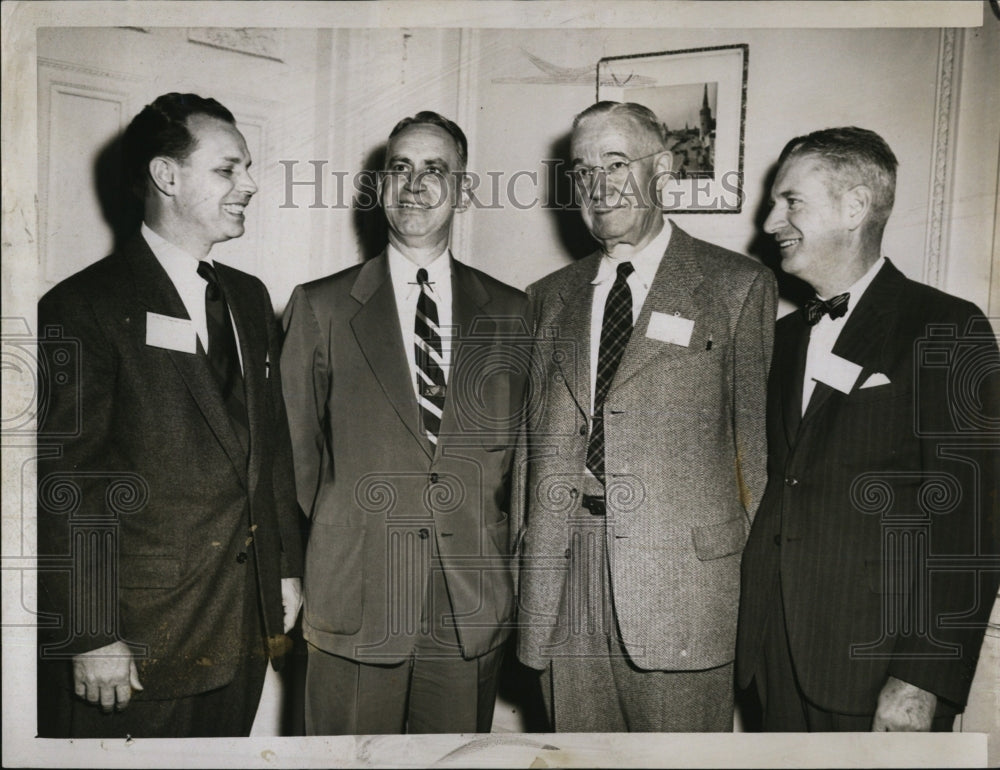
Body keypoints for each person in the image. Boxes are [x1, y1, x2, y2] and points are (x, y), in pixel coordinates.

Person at [36, 93, 304, 738]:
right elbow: (66, 484)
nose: (250, 185)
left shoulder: (247, 296)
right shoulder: (82, 307)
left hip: (241, 624)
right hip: (137, 644)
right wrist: (92, 633)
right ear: (167, 176)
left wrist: (285, 569)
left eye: (247, 169)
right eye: (228, 169)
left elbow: (270, 447)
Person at [514, 101, 777, 731]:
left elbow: (757, 457)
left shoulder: (735, 286)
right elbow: (529, 453)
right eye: (582, 172)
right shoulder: (547, 297)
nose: (598, 187)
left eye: (615, 163)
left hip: (682, 590)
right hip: (565, 580)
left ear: (661, 169)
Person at [737, 126, 1000, 731]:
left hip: (875, 669)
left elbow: (971, 528)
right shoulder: (785, 337)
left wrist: (921, 678)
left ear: (854, 206)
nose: (770, 220)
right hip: (773, 656)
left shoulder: (945, 327)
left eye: (790, 201)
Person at [280, 111, 529, 734]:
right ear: (381, 186)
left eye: (435, 170)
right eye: (400, 168)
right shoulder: (321, 307)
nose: (414, 184)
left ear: (464, 190)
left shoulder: (512, 311)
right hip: (355, 597)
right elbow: (293, 459)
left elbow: (520, 461)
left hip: (468, 602)